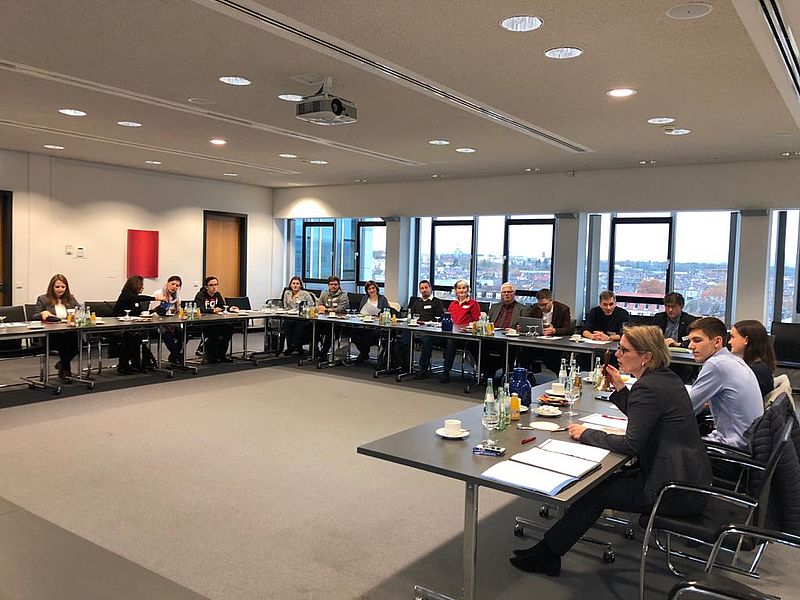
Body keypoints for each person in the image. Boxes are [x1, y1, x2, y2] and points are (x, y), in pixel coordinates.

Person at [510, 325, 712, 576]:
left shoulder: (648, 387)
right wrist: (620, 389)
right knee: (599, 484)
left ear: (646, 356)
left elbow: (631, 444)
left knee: (593, 492)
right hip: (688, 476)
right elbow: (645, 419)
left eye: (624, 350)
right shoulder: (666, 378)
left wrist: (586, 434)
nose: (617, 354)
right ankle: (547, 551)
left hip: (672, 489)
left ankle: (547, 555)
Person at [687, 317, 763, 449]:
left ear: (717, 342)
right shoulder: (733, 359)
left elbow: (687, 407)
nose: (690, 346)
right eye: (690, 341)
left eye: (697, 340)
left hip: (730, 448)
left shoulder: (716, 365)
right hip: (748, 442)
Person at [32, 274, 80, 382]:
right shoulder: (43, 299)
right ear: (52, 287)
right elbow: (34, 316)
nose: (60, 289)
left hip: (68, 331)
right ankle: (66, 371)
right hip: (51, 334)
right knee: (65, 343)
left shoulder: (70, 298)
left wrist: (77, 314)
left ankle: (62, 364)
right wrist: (43, 314)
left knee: (77, 342)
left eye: (63, 287)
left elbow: (80, 310)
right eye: (57, 287)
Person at [483, 282, 528, 384]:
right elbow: (488, 322)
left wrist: (516, 330)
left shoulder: (523, 308)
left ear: (514, 293)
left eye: (509, 292)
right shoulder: (494, 307)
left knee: (505, 347)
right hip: (493, 336)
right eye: (504, 292)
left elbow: (523, 327)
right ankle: (487, 372)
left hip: (510, 338)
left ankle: (505, 374)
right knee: (477, 345)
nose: (506, 294)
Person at [113, 275, 155, 374]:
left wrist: (151, 311)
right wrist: (155, 298)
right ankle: (124, 364)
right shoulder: (126, 295)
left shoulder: (134, 298)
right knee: (132, 338)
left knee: (136, 338)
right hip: (118, 325)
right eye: (141, 285)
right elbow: (138, 298)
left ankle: (131, 364)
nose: (143, 287)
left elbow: (137, 312)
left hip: (130, 325)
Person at [440, 279, 481, 383]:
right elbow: (448, 318)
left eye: (464, 288)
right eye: (459, 288)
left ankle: (446, 371)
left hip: (464, 336)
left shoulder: (473, 304)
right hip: (450, 333)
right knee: (429, 337)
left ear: (468, 289)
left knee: (450, 341)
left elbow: (477, 322)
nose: (461, 290)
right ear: (455, 290)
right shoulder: (452, 304)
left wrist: (467, 327)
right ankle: (422, 369)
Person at [193, 276, 239, 364]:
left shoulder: (217, 294)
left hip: (216, 321)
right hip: (203, 323)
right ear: (206, 287)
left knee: (229, 328)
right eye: (211, 285)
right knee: (215, 330)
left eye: (216, 285)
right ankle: (211, 355)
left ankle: (221, 355)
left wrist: (230, 308)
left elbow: (222, 306)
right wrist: (212, 310)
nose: (214, 287)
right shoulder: (200, 295)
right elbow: (198, 308)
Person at [526, 288, 573, 375]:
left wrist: (554, 330)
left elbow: (568, 329)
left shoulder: (563, 309)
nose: (542, 307)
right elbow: (529, 322)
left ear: (551, 301)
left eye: (544, 304)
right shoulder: (535, 308)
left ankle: (558, 376)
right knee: (524, 352)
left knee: (550, 356)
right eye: (540, 305)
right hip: (537, 342)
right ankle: (529, 375)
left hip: (555, 344)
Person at [729, 319, 776, 397]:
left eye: (733, 337)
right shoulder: (759, 367)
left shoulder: (754, 372)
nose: (729, 342)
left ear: (746, 340)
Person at [409, 279, 445, 379]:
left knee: (427, 339)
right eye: (422, 288)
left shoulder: (437, 302)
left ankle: (423, 368)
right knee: (405, 335)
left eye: (426, 287)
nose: (424, 290)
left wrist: (428, 323)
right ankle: (404, 365)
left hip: (431, 330)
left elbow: (439, 317)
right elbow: (412, 315)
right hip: (417, 328)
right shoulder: (417, 302)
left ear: (430, 288)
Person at [352, 280, 392, 363]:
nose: (371, 290)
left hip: (377, 326)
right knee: (353, 333)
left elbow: (386, 312)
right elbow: (360, 311)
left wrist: (377, 315)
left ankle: (364, 353)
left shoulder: (382, 299)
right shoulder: (364, 298)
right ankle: (364, 352)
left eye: (373, 288)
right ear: (367, 290)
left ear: (376, 289)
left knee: (367, 332)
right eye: (369, 289)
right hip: (364, 322)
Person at [315, 275, 350, 362]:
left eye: (335, 284)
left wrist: (327, 309)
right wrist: (322, 308)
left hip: (338, 322)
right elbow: (319, 305)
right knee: (313, 328)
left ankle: (323, 353)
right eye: (331, 284)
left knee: (329, 331)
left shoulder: (343, 295)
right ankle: (315, 351)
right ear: (328, 285)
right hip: (324, 320)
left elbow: (341, 309)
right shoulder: (324, 294)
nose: (333, 286)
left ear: (339, 285)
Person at [151, 275, 184, 365]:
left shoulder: (177, 296)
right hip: (158, 322)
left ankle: (173, 356)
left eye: (177, 285)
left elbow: (178, 310)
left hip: (172, 322)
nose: (174, 287)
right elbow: (153, 311)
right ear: (167, 283)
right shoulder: (158, 294)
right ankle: (177, 357)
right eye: (172, 284)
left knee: (184, 335)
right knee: (167, 334)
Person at [281, 276, 315, 356]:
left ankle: (295, 345)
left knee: (298, 325)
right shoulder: (287, 293)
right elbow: (285, 306)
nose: (295, 285)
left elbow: (312, 305)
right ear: (290, 285)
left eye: (297, 283)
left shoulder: (305, 294)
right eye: (293, 283)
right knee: (286, 324)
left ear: (300, 285)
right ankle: (293, 346)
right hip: (290, 315)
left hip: (302, 317)